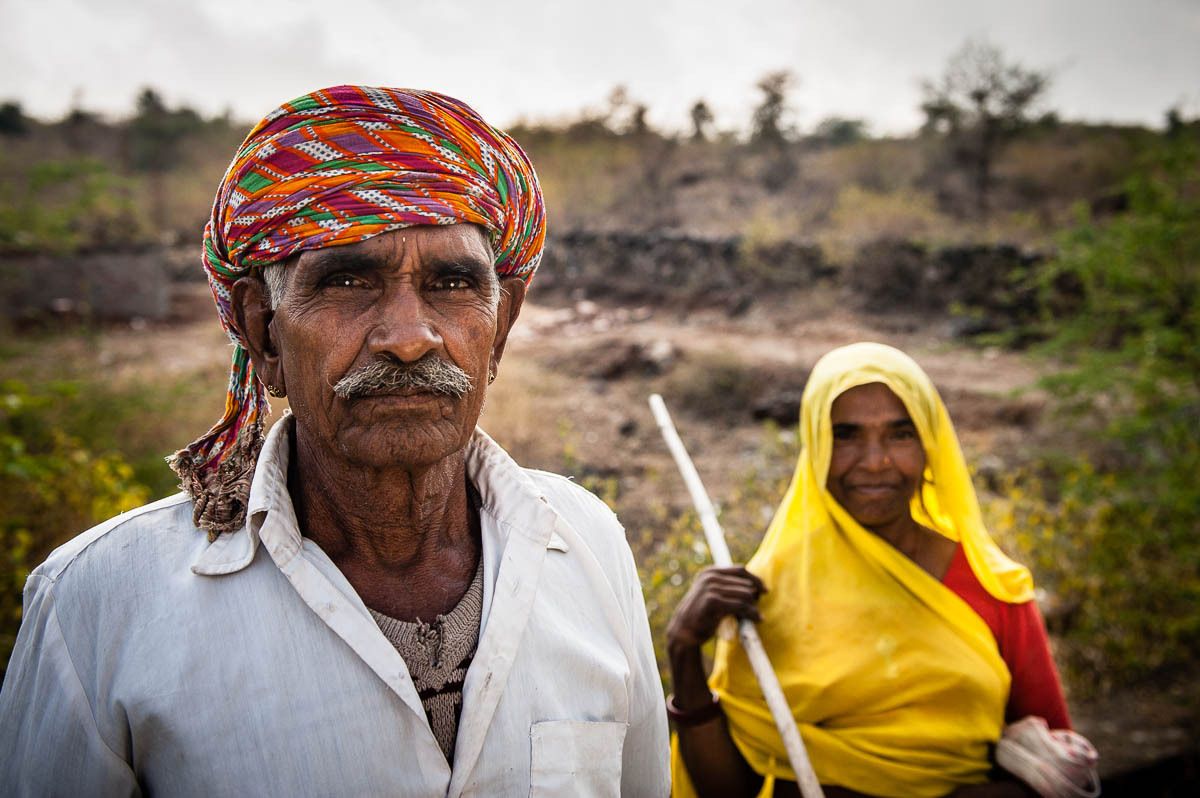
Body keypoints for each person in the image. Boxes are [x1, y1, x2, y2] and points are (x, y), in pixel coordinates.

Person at [0, 85, 669, 796]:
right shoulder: (97, 606)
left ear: (500, 329)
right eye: (349, 281)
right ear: (264, 332)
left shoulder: (589, 545)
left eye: (451, 283)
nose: (410, 339)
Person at [667, 342, 1071, 797]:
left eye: (900, 434)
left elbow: (1055, 760)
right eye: (846, 435)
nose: (875, 461)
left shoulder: (991, 583)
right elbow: (728, 791)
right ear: (815, 446)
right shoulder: (769, 590)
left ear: (928, 445)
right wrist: (683, 652)